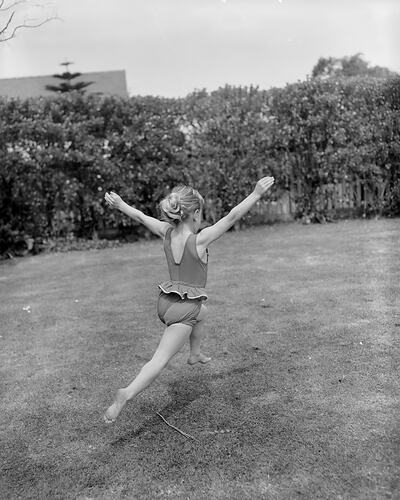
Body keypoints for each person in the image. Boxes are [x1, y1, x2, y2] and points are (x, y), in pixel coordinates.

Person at [103, 176, 275, 423]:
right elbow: (232, 217)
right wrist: (256, 193)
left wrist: (120, 204)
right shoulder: (200, 239)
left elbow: (140, 216)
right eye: (201, 213)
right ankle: (126, 393)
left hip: (166, 302)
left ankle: (195, 354)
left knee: (202, 312)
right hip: (184, 308)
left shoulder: (166, 232)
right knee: (160, 359)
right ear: (194, 213)